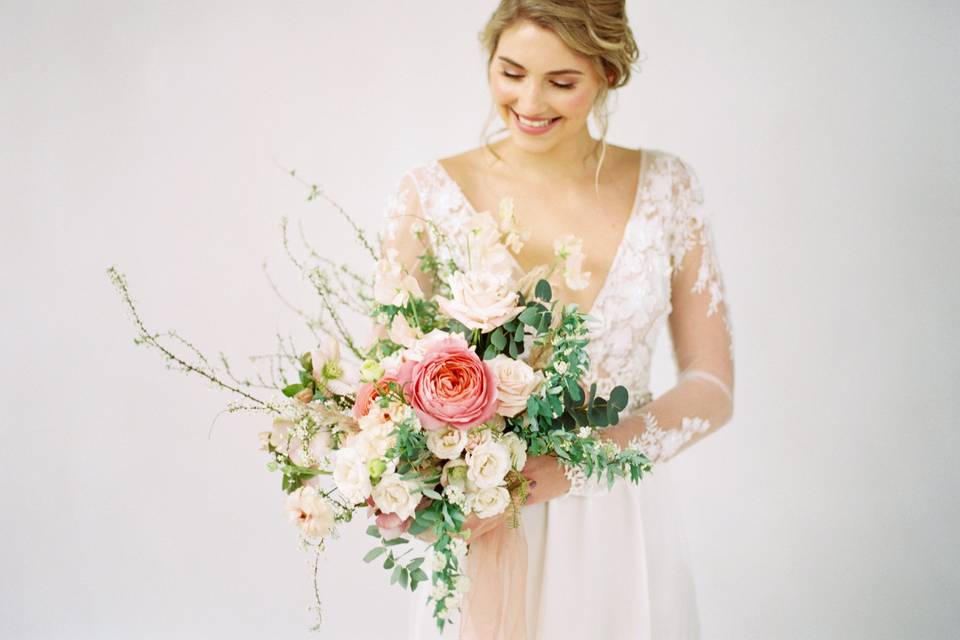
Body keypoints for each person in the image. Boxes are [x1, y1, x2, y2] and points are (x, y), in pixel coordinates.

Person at [379, 1, 735, 638]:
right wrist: (428, 473)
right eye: (510, 72)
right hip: (488, 523)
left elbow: (712, 385)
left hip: (620, 522)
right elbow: (385, 387)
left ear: (608, 75)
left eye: (561, 82)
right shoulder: (427, 195)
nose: (529, 101)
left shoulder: (668, 189)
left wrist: (584, 461)